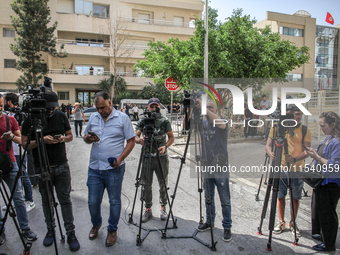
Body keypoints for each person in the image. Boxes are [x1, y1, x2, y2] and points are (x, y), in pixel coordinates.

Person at [21, 92, 80, 251]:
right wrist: (42, 140)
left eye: (53, 107)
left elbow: (70, 136)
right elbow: (24, 143)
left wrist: (62, 139)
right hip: (41, 167)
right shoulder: (31, 119)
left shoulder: (61, 115)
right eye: (48, 108)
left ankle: (71, 233)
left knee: (65, 200)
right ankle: (50, 230)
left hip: (61, 165)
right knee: (47, 201)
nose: (50, 111)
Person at [83, 92, 135, 247]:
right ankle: (96, 224)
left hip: (114, 169)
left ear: (110, 102)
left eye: (103, 107)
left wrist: (120, 159)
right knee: (93, 201)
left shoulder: (122, 118)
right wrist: (88, 138)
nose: (100, 111)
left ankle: (112, 230)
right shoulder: (93, 117)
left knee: (114, 201)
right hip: (94, 168)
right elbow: (85, 137)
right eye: (97, 108)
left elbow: (131, 141)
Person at [265, 106, 311, 237]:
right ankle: (281, 221)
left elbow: (307, 150)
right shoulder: (277, 128)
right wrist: (271, 153)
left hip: (297, 169)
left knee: (295, 197)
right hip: (280, 168)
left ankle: (293, 222)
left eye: (300, 114)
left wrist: (295, 158)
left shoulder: (304, 129)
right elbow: (268, 146)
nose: (299, 117)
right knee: (280, 196)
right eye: (296, 114)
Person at [0, 93, 38, 242]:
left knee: (18, 198)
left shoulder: (10, 119)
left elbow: (21, 140)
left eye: (1, 106)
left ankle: (25, 228)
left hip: (10, 163)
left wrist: (11, 137)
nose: (0, 109)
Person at [195, 100, 232, 242]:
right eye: (207, 107)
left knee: (224, 199)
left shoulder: (222, 121)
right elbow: (187, 126)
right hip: (206, 165)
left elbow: (221, 124)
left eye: (211, 107)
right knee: (208, 197)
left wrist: (204, 107)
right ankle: (210, 222)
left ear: (216, 110)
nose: (208, 110)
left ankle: (227, 226)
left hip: (220, 167)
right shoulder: (203, 123)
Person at [135, 98, 174, 222]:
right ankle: (148, 209)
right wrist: (140, 140)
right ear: (147, 107)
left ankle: (163, 207)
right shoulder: (143, 120)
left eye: (155, 106)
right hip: (147, 156)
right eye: (151, 107)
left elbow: (171, 137)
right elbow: (135, 136)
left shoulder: (164, 121)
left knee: (163, 183)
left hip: (161, 157)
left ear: (159, 107)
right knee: (146, 184)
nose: (153, 109)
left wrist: (166, 146)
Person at [306, 111, 340, 251]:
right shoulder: (329, 138)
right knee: (321, 212)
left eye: (323, 125)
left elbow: (335, 165)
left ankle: (329, 244)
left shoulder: (337, 142)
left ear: (333, 125)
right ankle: (324, 237)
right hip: (322, 181)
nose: (321, 129)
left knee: (328, 214)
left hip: (330, 183)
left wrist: (318, 158)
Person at [4, 93, 35, 212]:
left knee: (22, 174)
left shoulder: (20, 115)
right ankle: (17, 200)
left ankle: (29, 200)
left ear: (9, 102)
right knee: (16, 178)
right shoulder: (10, 114)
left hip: (18, 150)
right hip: (11, 150)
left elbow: (21, 134)